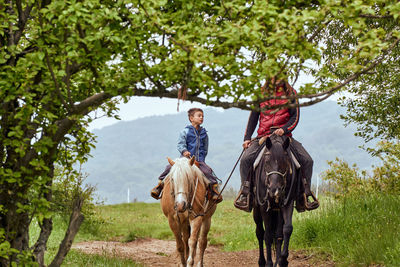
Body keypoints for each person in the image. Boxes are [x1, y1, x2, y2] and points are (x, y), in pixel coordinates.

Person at [234, 78, 316, 212]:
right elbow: (253, 117)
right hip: (263, 136)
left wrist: (284, 129)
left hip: (284, 137)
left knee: (307, 160)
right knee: (245, 159)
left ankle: (305, 195)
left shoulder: (291, 94)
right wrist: (247, 138)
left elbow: (294, 118)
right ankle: (245, 193)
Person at [150, 108, 223, 203]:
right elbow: (180, 144)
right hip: (184, 160)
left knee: (208, 172)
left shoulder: (204, 133)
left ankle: (214, 192)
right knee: (168, 168)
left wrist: (201, 159)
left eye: (202, 116)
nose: (201, 118)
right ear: (191, 118)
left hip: (199, 160)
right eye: (199, 116)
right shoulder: (185, 131)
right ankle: (159, 186)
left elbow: (205, 148)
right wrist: (184, 151)